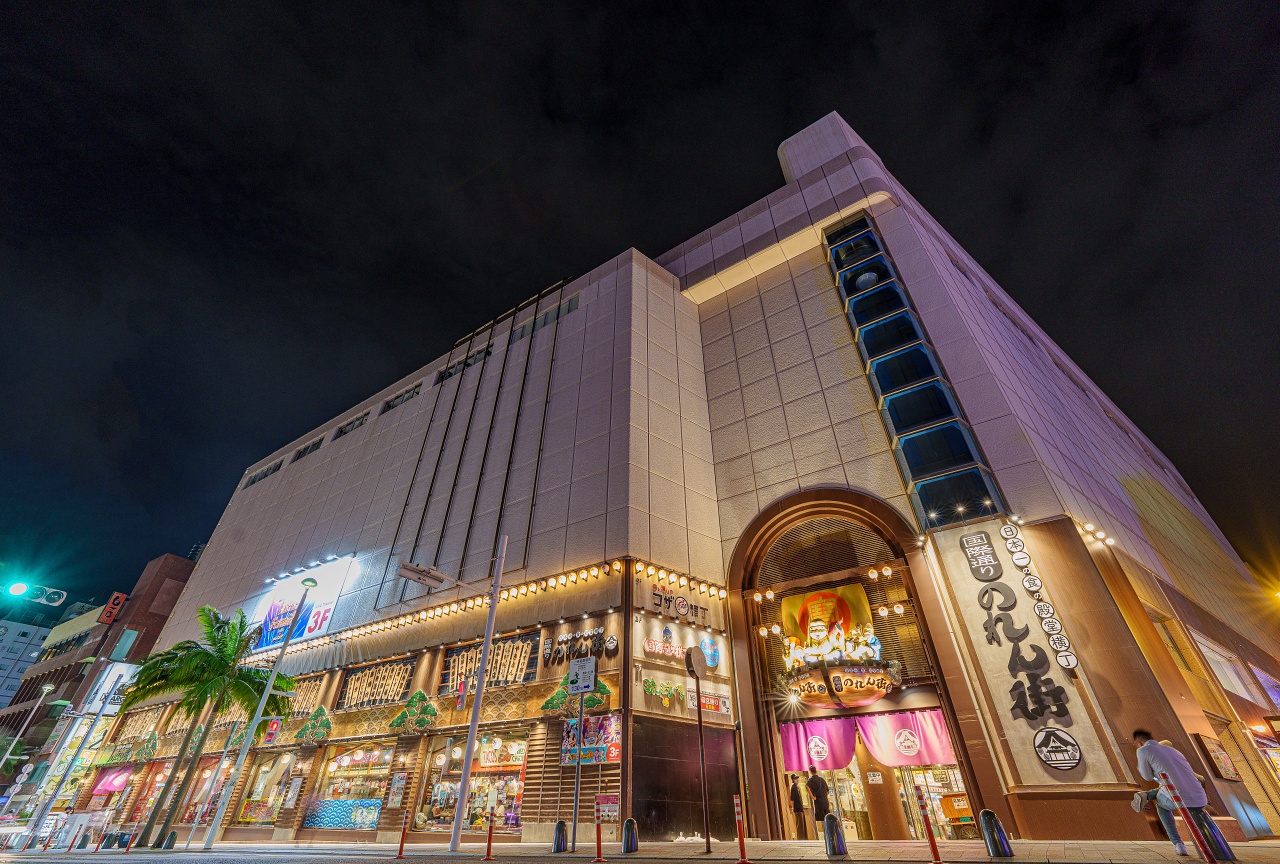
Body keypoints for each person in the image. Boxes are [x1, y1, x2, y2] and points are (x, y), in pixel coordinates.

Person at [1131, 730, 1213, 858]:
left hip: (1178, 799)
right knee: (1165, 788)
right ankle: (1146, 795)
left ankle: (1178, 844)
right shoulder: (1175, 752)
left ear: (1139, 742)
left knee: (1161, 803)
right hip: (1201, 799)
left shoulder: (1143, 750)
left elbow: (1147, 777)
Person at [788, 773, 808, 840]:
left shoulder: (798, 787)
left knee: (802, 824)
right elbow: (792, 799)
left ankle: (803, 838)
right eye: (795, 779)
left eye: (797, 778)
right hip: (797, 809)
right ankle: (800, 838)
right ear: (792, 780)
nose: (797, 780)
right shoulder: (793, 788)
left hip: (800, 808)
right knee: (799, 824)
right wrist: (793, 807)